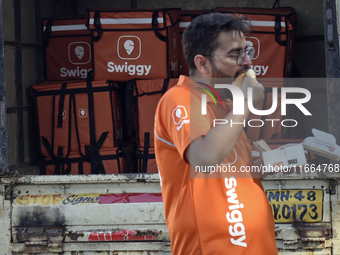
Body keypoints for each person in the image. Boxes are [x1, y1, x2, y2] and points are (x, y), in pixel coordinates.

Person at [154, 12, 278, 255]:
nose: (247, 62)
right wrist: (244, 103)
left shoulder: (225, 106)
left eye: (247, 51)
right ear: (202, 63)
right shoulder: (178, 98)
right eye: (235, 54)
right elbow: (205, 158)